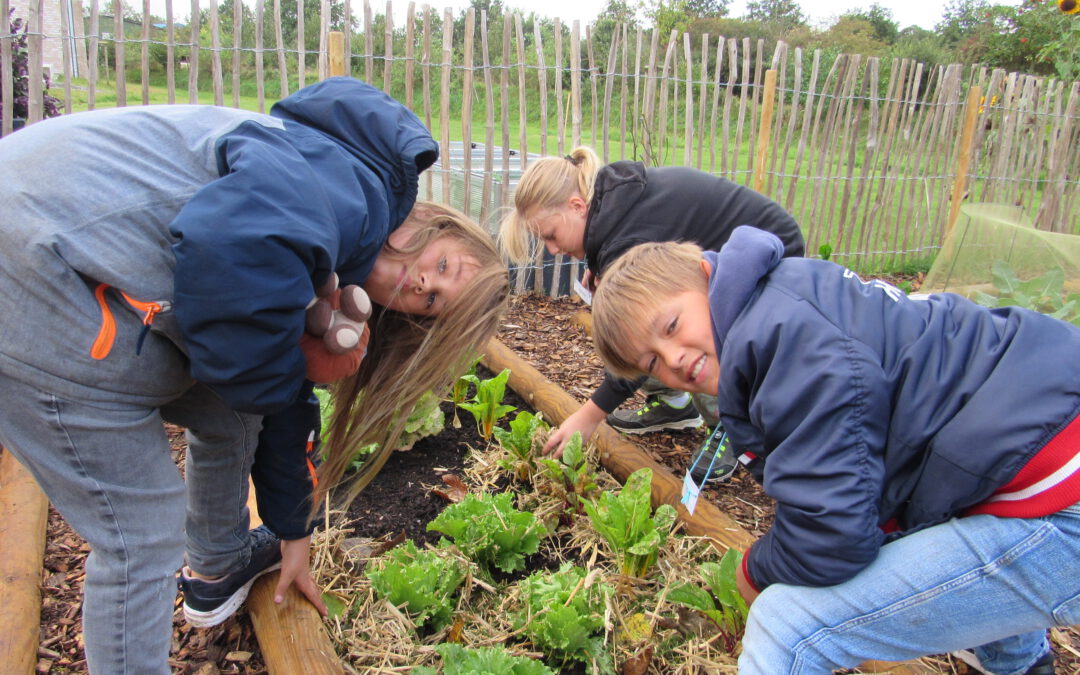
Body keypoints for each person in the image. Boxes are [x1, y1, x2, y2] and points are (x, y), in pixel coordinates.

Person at [0, 77, 509, 674]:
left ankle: (219, 563)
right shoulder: (348, 195)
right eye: (443, 266)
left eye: (433, 303)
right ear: (427, 223)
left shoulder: (335, 219)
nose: (426, 285)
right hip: (29, 269)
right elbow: (229, 253)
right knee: (140, 534)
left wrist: (293, 531)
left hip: (51, 247)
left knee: (236, 404)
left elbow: (277, 396)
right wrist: (280, 377)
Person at [590, 230, 1079, 675]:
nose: (674, 358)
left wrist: (753, 570)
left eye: (672, 325)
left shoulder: (788, 343)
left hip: (1059, 497)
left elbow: (834, 539)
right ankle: (1019, 665)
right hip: (1031, 435)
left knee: (788, 626)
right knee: (952, 516)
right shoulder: (784, 298)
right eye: (653, 361)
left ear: (705, 275)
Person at [498, 145, 804, 483]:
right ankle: (674, 405)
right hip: (740, 253)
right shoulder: (613, 202)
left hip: (769, 259)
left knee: (688, 337)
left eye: (551, 236)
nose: (553, 250)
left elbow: (636, 329)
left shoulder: (623, 233)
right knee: (649, 326)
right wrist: (599, 267)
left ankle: (731, 421)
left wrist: (588, 416)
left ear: (576, 206)